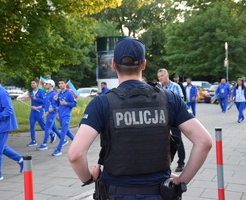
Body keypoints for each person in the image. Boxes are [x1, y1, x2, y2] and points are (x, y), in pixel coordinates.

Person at [68, 37, 212, 199]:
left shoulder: (101, 103)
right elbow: (204, 142)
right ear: (143, 64)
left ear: (114, 65)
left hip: (116, 193)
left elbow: (75, 154)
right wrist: (181, 181)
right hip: (159, 193)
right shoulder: (169, 99)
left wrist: (88, 177)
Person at [157, 68, 186, 172]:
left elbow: (181, 102)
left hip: (174, 117)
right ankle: (163, 163)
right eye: (159, 76)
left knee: (177, 140)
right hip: (162, 118)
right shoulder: (157, 87)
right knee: (161, 140)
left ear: (167, 75)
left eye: (162, 76)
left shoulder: (175, 86)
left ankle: (181, 162)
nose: (160, 78)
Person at [53, 79, 77, 156]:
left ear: (65, 84)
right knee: (67, 132)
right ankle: (78, 145)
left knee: (63, 132)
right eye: (59, 83)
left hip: (66, 116)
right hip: (61, 115)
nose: (60, 85)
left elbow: (74, 103)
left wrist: (66, 103)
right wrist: (55, 100)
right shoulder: (60, 93)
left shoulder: (69, 93)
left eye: (62, 83)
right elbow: (58, 104)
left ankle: (58, 149)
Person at [37, 79, 61, 150]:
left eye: (47, 84)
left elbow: (54, 106)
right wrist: (37, 107)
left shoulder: (53, 94)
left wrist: (48, 112)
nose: (45, 85)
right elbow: (44, 104)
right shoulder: (47, 93)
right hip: (48, 113)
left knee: (47, 128)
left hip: (51, 114)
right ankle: (64, 140)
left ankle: (44, 144)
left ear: (51, 85)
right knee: (54, 128)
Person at [27, 79, 46, 146]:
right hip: (33, 112)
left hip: (39, 111)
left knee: (43, 126)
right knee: (32, 126)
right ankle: (33, 140)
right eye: (31, 83)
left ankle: (52, 134)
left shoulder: (41, 92)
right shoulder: (31, 92)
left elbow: (44, 102)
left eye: (34, 83)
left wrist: (36, 99)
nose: (32, 84)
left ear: (37, 84)